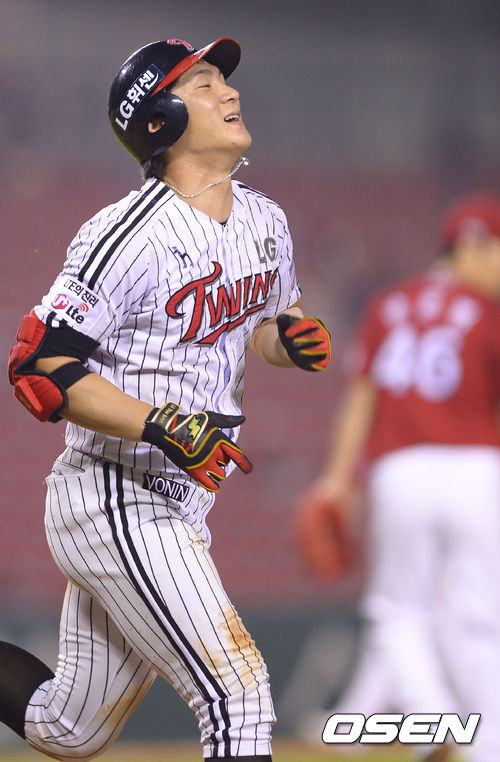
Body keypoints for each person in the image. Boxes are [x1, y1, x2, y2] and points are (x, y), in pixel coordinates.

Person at [2, 37, 331, 761]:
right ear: (159, 122)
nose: (228, 92)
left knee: (69, 729)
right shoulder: (127, 234)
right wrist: (161, 424)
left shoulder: (265, 219)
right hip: (114, 493)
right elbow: (39, 368)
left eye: (223, 80)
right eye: (203, 84)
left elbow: (268, 324)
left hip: (180, 501)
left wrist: (289, 341)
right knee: (238, 694)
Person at [297, 194, 500, 762]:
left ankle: (432, 720)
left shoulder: (389, 305)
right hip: (477, 469)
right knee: (480, 616)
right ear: (472, 245)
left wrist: (338, 477)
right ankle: (488, 747)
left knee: (398, 612)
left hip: (400, 471)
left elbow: (361, 396)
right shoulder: (489, 313)